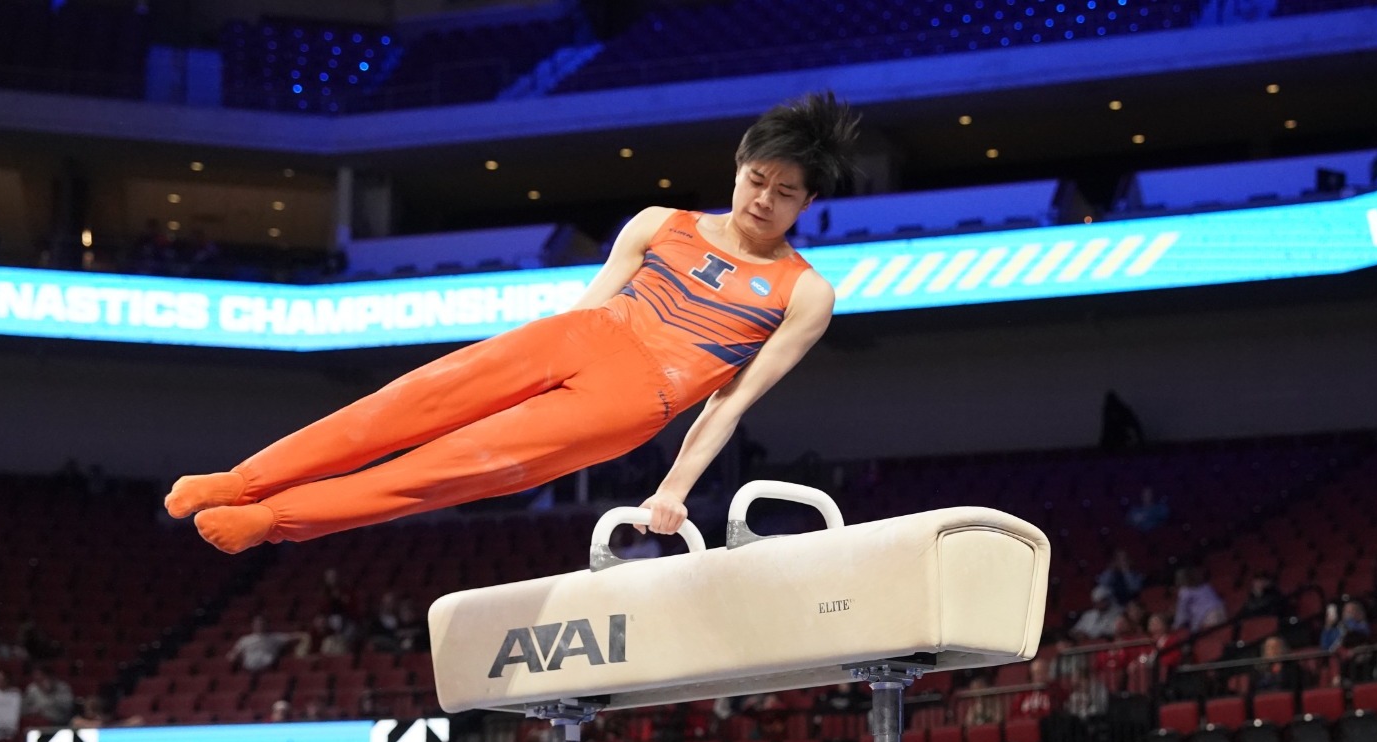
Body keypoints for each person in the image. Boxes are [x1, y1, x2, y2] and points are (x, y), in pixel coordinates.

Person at [163, 93, 858, 554]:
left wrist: (673, 487)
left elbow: (730, 400)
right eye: (756, 179)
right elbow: (587, 309)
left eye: (785, 191)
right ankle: (243, 480)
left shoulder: (803, 293)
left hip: (633, 396)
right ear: (737, 166)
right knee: (404, 403)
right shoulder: (658, 223)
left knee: (451, 465)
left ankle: (273, 520)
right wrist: (536, 369)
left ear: (809, 201)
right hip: (581, 335)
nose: (764, 199)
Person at [229, 617, 306, 673]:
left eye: (262, 624)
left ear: (266, 625)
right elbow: (234, 653)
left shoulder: (275, 637)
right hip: (248, 669)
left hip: (268, 669)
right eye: (257, 624)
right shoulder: (245, 639)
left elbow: (295, 637)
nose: (259, 626)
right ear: (252, 625)